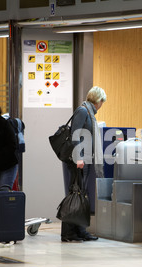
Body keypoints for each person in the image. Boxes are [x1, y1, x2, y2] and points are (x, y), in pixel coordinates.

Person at [61, 86, 107, 242]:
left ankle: (80, 230)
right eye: (102, 102)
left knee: (81, 196)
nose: (101, 105)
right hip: (78, 160)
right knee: (74, 195)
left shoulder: (88, 112)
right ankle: (68, 233)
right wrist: (78, 157)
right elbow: (75, 134)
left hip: (85, 159)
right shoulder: (83, 111)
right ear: (98, 100)